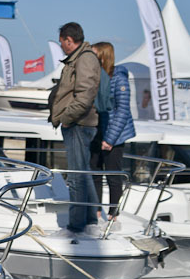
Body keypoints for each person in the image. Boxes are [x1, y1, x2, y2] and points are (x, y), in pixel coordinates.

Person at [48, 22, 102, 233]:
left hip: (78, 124)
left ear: (69, 40)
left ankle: (77, 225)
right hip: (78, 123)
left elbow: (85, 95)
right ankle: (90, 219)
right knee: (83, 172)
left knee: (77, 176)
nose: (61, 46)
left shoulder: (84, 59)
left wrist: (67, 118)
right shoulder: (81, 57)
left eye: (62, 42)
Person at [90, 42, 135, 221]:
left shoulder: (119, 79)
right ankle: (95, 210)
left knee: (112, 174)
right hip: (98, 129)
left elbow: (122, 111)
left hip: (115, 134)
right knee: (94, 170)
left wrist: (110, 139)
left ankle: (113, 213)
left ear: (104, 55)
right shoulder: (97, 76)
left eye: (94, 55)